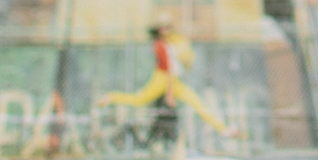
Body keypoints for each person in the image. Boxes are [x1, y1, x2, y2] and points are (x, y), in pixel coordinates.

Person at [98, 23, 233, 137]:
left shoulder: (173, 41)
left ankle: (223, 129)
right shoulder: (160, 45)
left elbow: (184, 56)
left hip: (174, 80)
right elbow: (168, 68)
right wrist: (169, 94)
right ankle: (111, 97)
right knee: (139, 99)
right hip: (163, 79)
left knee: (197, 102)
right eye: (163, 29)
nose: (167, 31)